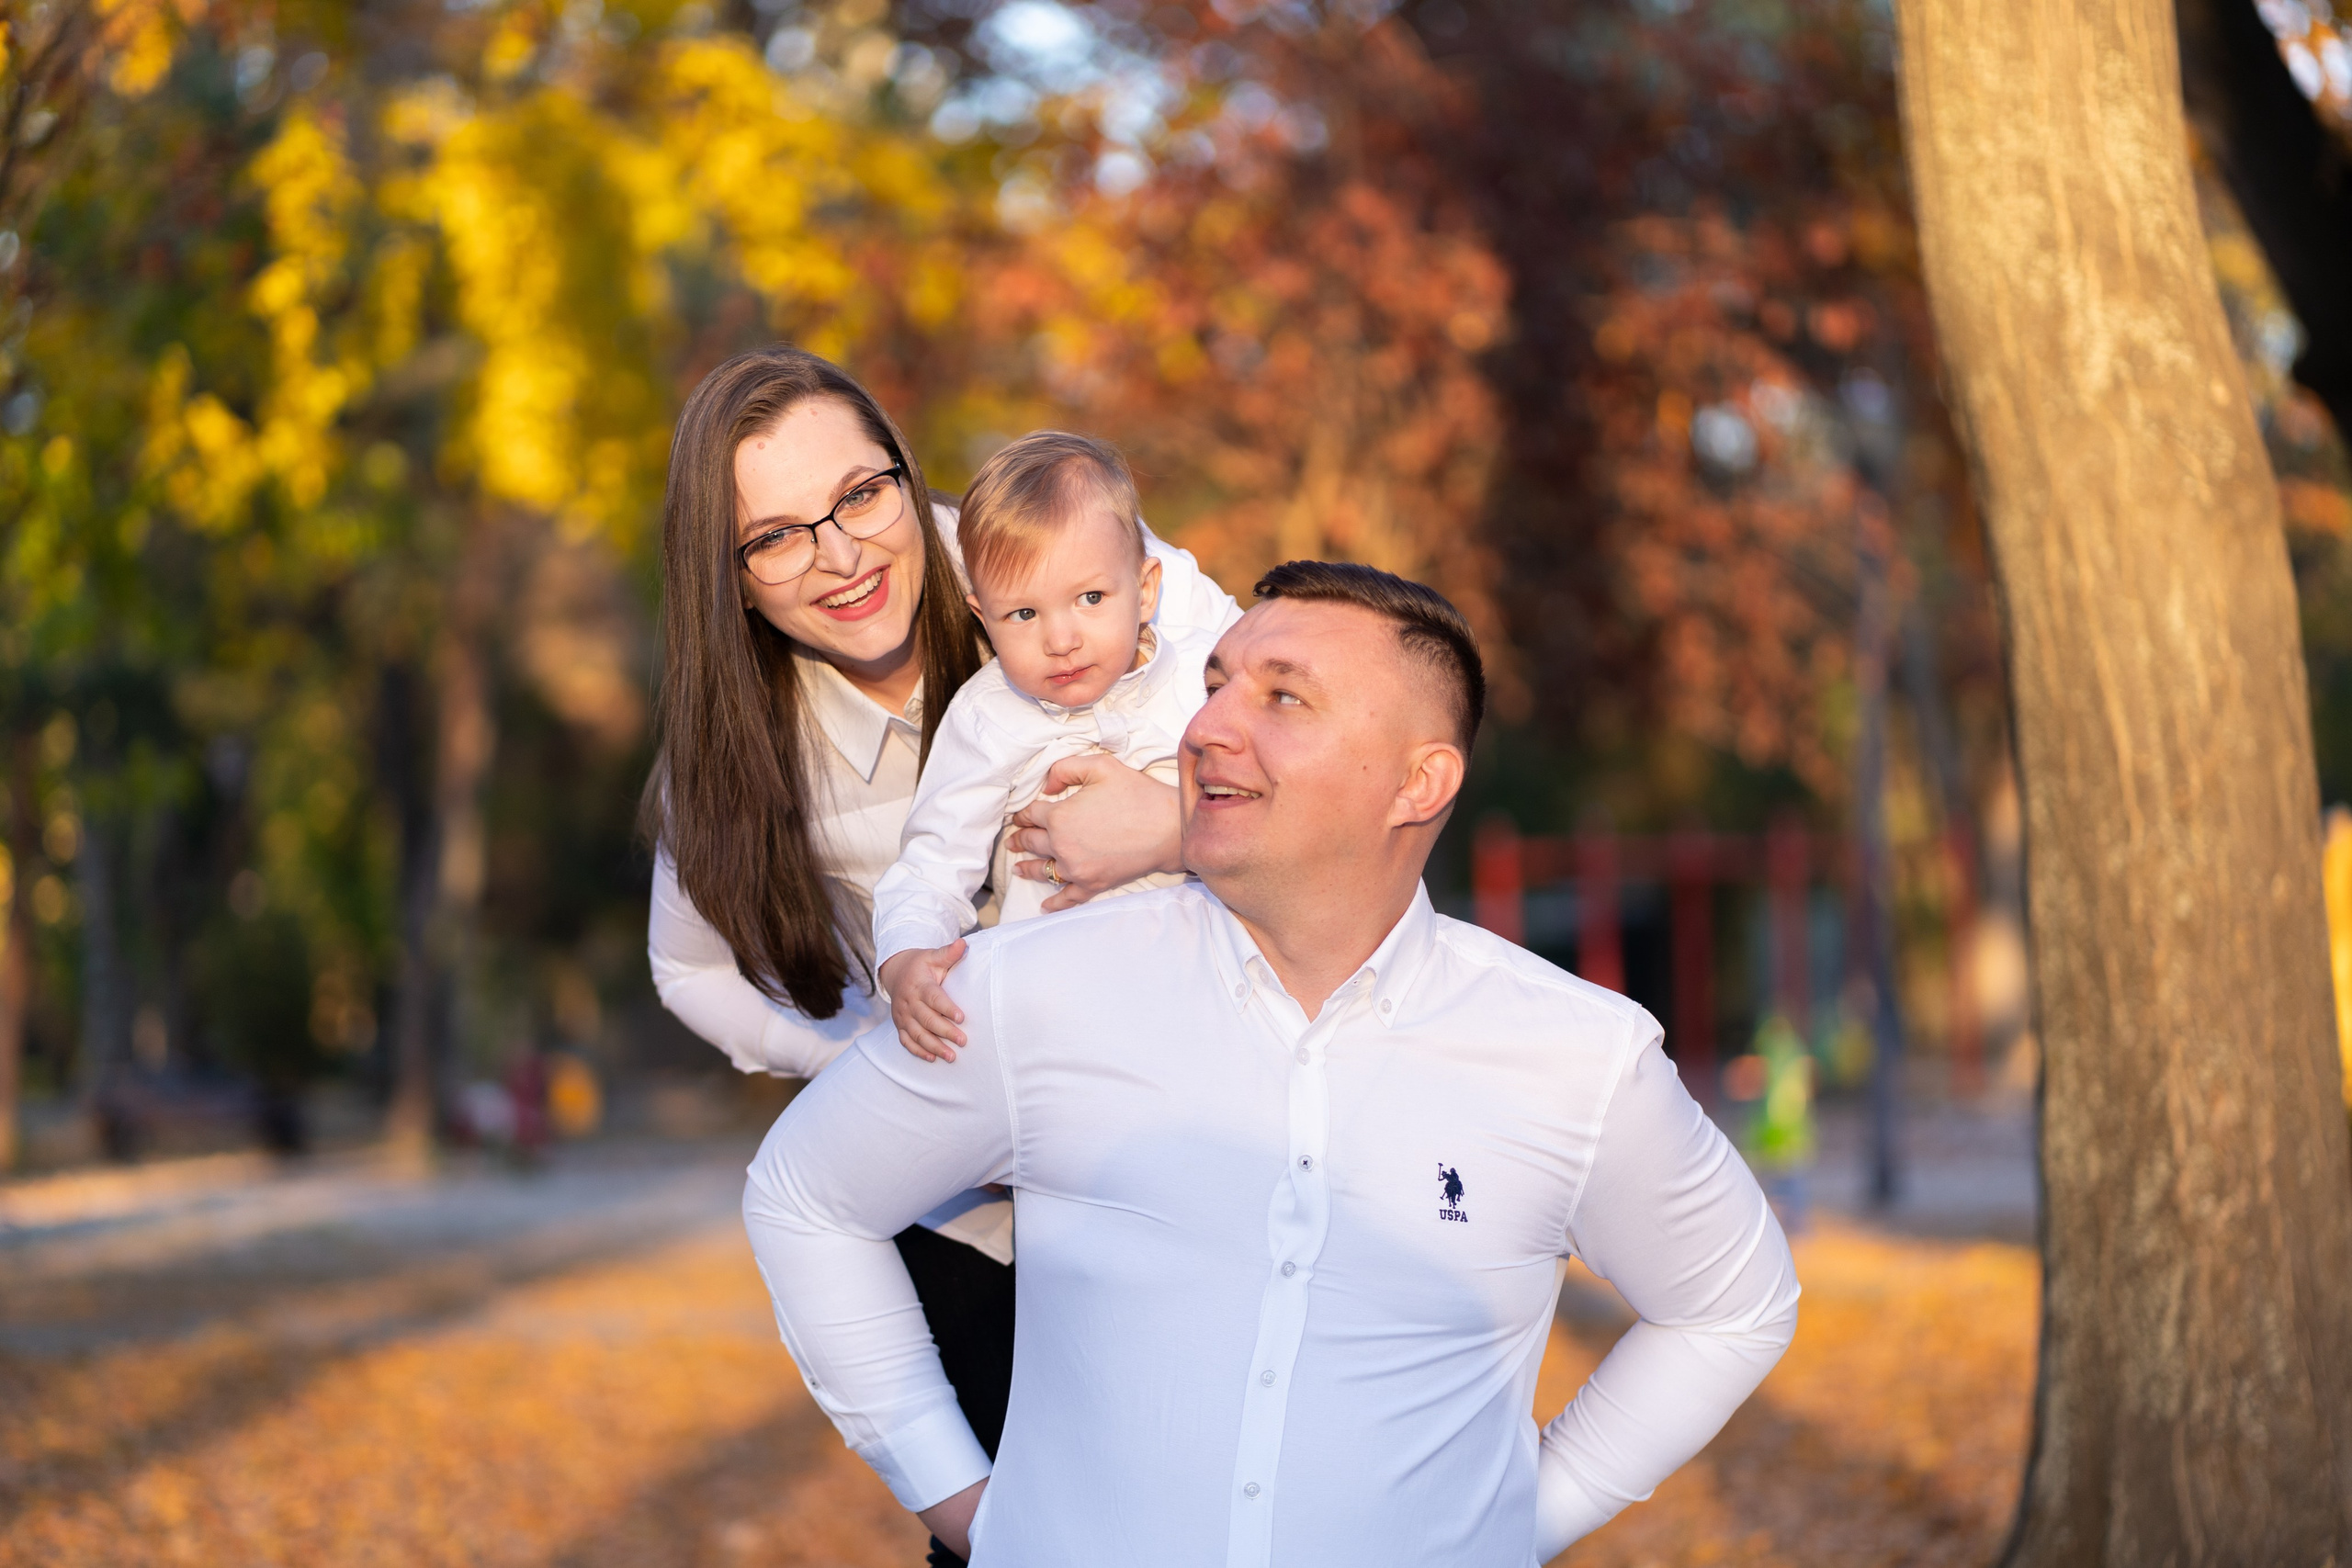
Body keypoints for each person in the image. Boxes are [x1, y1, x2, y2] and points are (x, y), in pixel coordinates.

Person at [743, 561, 1802, 1566]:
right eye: (1215, 684)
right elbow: (805, 1196)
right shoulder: (1029, 990)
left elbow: (1732, 1305)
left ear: (1418, 781)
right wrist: (957, 1495)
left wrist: (1518, 1525)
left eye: (1283, 697)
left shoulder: (1578, 1057)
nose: (1207, 727)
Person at [640, 344, 1235, 1566]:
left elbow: (1312, 773)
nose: (840, 554)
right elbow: (686, 968)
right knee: (1018, 1534)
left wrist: (1169, 823)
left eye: (861, 494)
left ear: (906, 474)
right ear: (731, 579)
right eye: (775, 537)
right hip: (975, 1226)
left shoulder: (1065, 554)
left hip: (1190, 1161)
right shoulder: (737, 747)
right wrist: (859, 1059)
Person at [874, 430, 1240, 1061]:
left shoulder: (1203, 680)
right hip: (1056, 1015)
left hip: (1214, 990)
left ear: (1146, 590)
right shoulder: (988, 718)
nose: (1061, 639)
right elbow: (933, 863)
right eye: (1023, 614)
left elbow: (1283, 808)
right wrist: (906, 956)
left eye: (1090, 598)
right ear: (983, 617)